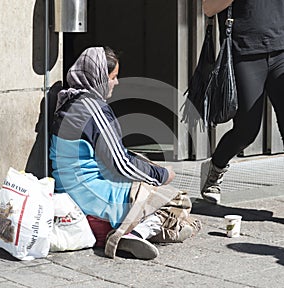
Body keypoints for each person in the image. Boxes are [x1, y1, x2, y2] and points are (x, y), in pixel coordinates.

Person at [49, 46, 201, 260]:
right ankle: (133, 233)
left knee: (152, 188)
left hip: (69, 193)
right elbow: (120, 163)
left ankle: (144, 229)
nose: (116, 83)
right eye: (113, 77)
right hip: (92, 197)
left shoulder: (67, 102)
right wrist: (162, 176)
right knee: (176, 200)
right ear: (100, 78)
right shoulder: (92, 109)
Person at [200, 0, 284, 204]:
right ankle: (216, 167)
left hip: (281, 49)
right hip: (245, 51)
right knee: (246, 130)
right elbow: (208, 8)